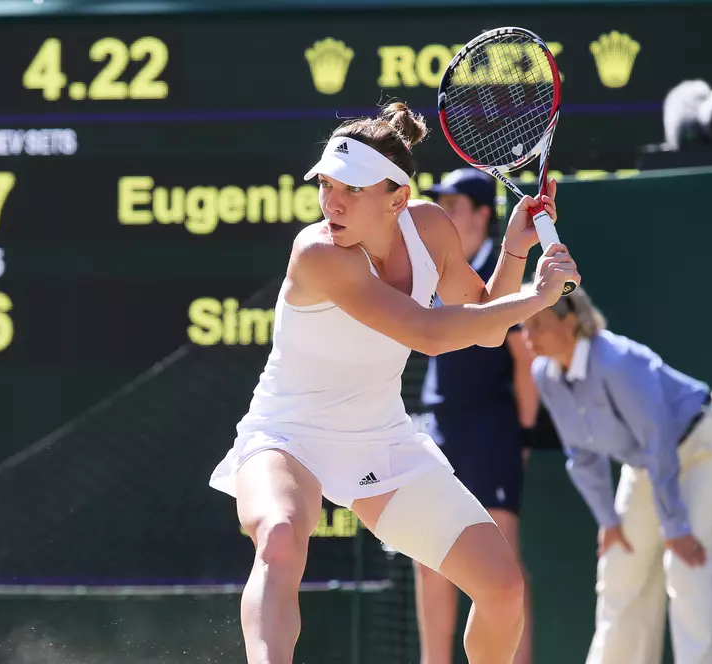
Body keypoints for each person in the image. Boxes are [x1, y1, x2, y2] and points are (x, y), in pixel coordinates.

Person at [207, 101, 581, 664]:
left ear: (398, 199)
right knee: (280, 538)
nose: (332, 202)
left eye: (352, 190)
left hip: (380, 440)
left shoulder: (431, 229)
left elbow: (484, 323)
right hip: (286, 436)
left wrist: (514, 250)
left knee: (503, 588)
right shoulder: (317, 253)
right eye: (326, 185)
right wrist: (538, 297)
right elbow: (429, 333)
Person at [522, 286, 712, 664]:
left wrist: (674, 525)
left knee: (688, 570)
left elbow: (658, 441)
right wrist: (608, 521)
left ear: (570, 321)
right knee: (619, 569)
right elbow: (581, 455)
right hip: (649, 462)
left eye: (537, 325)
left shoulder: (616, 361)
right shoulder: (544, 374)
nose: (528, 337)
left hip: (708, 444)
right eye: (523, 327)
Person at [409, 168, 540, 664]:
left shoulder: (499, 273)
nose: (444, 215)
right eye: (440, 205)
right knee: (428, 558)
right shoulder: (439, 269)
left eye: (455, 206)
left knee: (500, 563)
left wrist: (522, 437)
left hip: (491, 430)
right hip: (440, 427)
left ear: (484, 214)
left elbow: (525, 362)